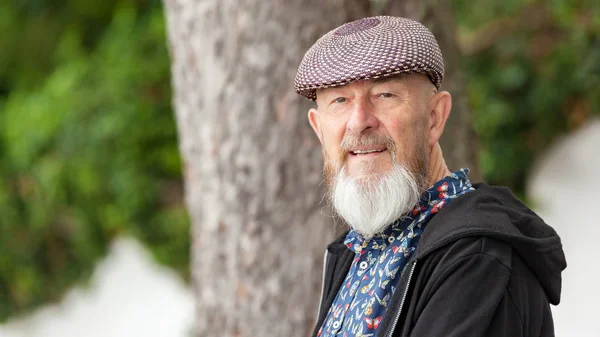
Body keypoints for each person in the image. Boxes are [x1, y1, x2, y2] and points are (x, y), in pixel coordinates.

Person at [294, 16, 566, 337]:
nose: (359, 122)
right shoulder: (355, 252)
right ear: (318, 128)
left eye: (385, 95)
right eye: (340, 100)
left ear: (435, 117)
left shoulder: (478, 261)